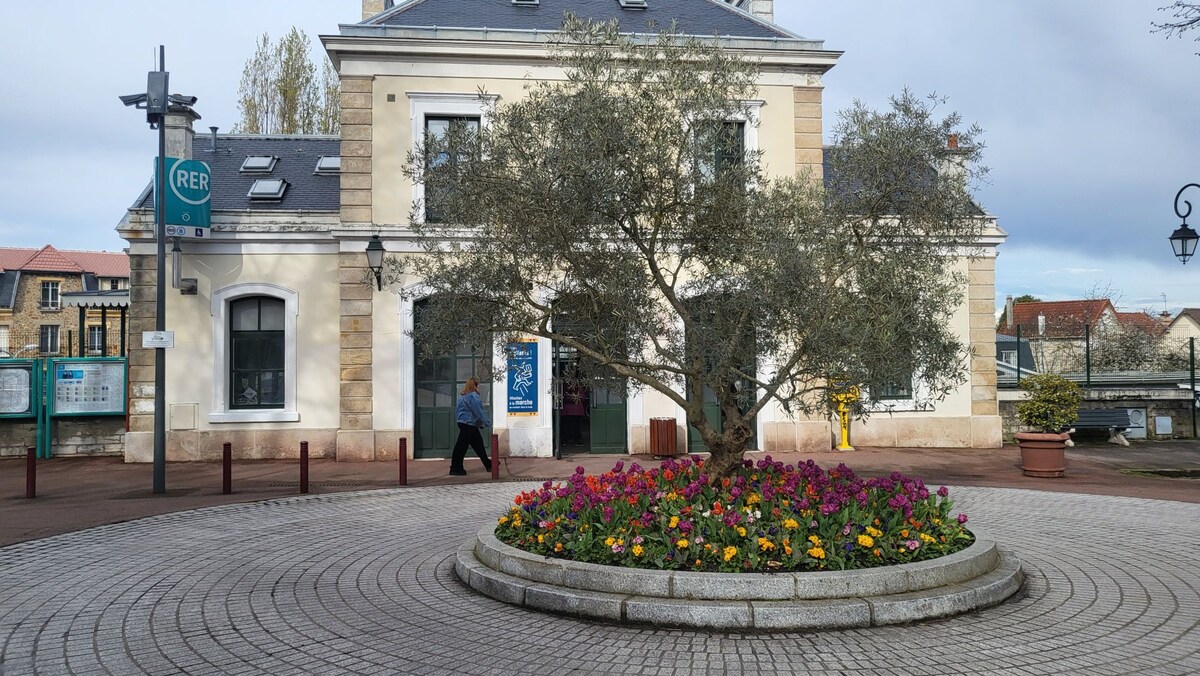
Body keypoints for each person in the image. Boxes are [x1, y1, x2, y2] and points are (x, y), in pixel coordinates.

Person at [450, 377, 492, 476]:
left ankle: (488, 464)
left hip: (463, 423)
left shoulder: (462, 397)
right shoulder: (473, 397)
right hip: (469, 424)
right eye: (479, 385)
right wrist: (488, 423)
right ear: (476, 386)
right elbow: (478, 412)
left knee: (476, 445)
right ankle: (456, 468)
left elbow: (458, 411)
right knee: (463, 447)